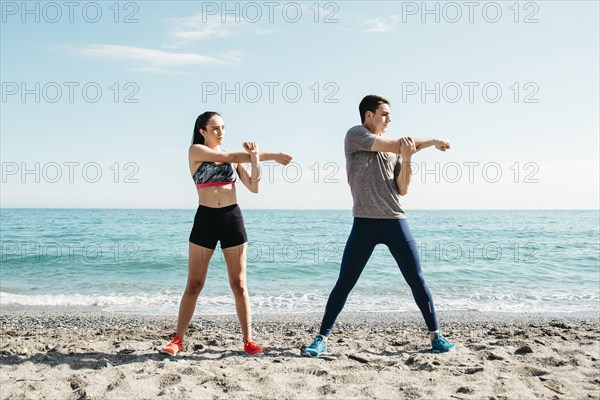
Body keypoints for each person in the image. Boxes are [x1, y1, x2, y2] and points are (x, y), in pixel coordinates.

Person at [303, 95, 455, 357]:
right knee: (345, 282)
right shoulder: (355, 135)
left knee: (416, 280)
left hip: (395, 221)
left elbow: (402, 189)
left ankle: (436, 337)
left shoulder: (394, 150)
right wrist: (430, 142)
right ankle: (321, 338)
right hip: (364, 223)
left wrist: (408, 158)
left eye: (389, 114)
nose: (389, 118)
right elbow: (399, 144)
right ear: (368, 115)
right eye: (384, 113)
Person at [161, 111, 292, 356]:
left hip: (231, 219)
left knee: (239, 284)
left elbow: (254, 188)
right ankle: (177, 339)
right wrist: (271, 155)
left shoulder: (234, 160)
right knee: (194, 284)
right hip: (205, 221)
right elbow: (230, 155)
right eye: (215, 129)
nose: (221, 132)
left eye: (223, 128)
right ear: (202, 132)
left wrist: (254, 160)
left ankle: (248, 340)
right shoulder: (196, 152)